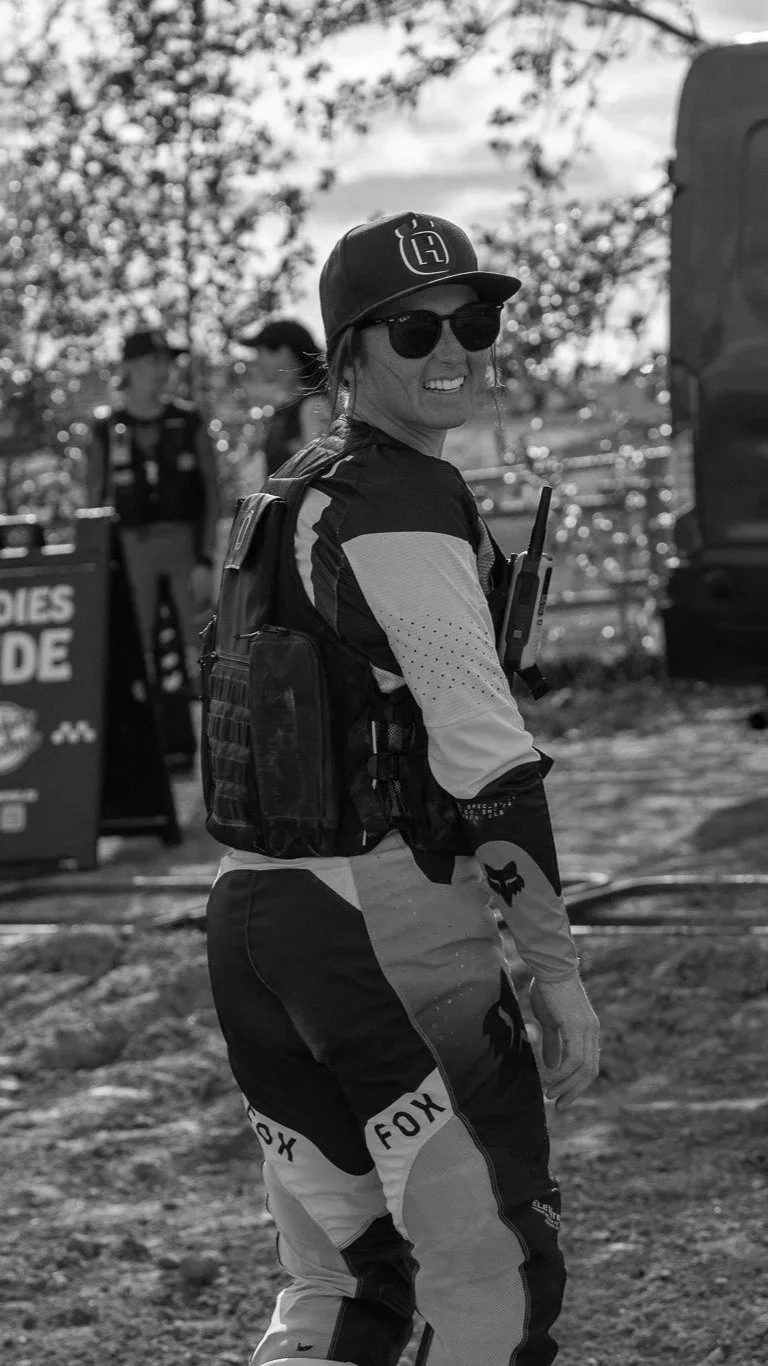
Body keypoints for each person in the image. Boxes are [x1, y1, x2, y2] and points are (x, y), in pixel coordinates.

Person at [204, 211, 600, 1366]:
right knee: (497, 1278)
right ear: (348, 356)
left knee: (343, 1282)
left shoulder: (289, 491)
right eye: (415, 330)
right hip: (387, 932)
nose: (453, 350)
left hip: (259, 922)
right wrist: (558, 973)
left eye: (472, 322)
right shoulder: (403, 501)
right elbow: (489, 762)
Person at [86, 328, 220, 679]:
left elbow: (211, 492)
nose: (163, 371)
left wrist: (206, 559)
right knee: (135, 654)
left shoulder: (189, 421)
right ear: (129, 366)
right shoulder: (106, 427)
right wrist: (99, 565)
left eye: (167, 362)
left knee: (202, 653)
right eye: (153, 362)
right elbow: (93, 501)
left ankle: (203, 712)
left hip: (185, 551)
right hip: (132, 552)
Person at [236, 317, 330, 478]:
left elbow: (320, 473)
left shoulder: (314, 406)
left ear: (284, 353)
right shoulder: (286, 408)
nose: (257, 360)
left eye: (261, 352)